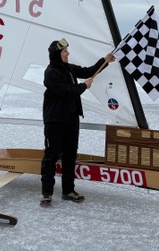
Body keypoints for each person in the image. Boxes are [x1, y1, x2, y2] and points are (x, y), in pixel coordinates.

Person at [40, 38, 115, 206]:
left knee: (70, 155)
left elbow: (89, 71)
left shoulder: (69, 68)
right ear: (57, 54)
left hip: (71, 119)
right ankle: (47, 193)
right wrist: (83, 86)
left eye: (67, 50)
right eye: (65, 51)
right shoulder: (51, 72)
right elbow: (66, 92)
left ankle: (68, 191)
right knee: (51, 157)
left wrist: (105, 60)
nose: (68, 53)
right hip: (55, 120)